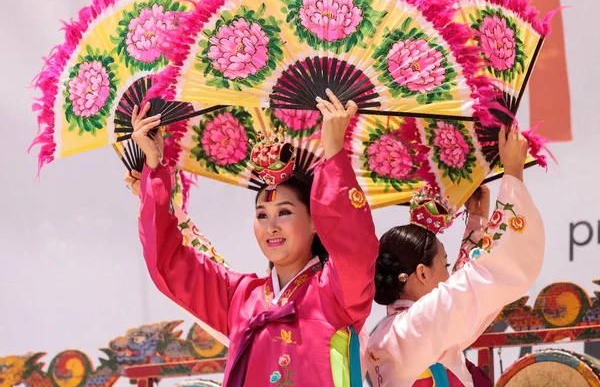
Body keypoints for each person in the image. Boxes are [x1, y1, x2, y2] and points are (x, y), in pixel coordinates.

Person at [131, 90, 379, 386]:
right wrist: (155, 167)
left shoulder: (336, 291)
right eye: (262, 215)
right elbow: (168, 263)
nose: (270, 226)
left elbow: (354, 244)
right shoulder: (239, 297)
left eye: (284, 213)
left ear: (316, 222)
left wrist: (334, 150)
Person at [366, 127, 545, 387]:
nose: (450, 276)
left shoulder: (384, 334)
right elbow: (480, 278)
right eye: (445, 265)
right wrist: (513, 174)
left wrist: (477, 219)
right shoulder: (419, 325)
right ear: (423, 273)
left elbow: (461, 289)